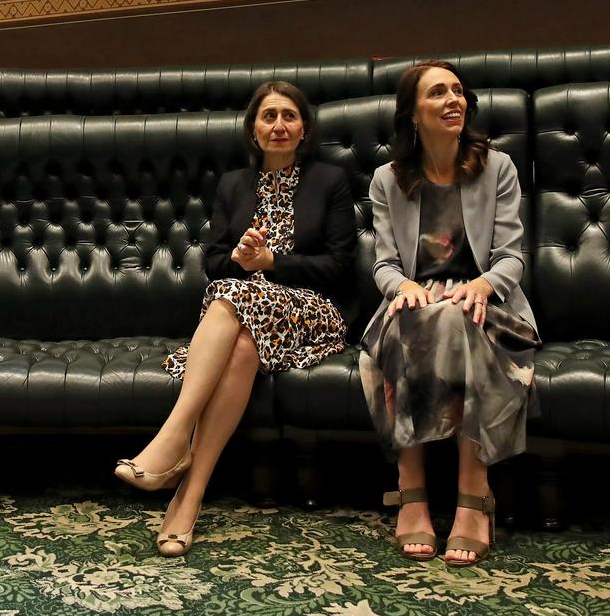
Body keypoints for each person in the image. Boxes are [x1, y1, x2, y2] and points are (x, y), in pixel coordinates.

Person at [114, 80, 356, 557]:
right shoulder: (233, 185)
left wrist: (271, 264)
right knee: (241, 339)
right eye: (268, 116)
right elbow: (214, 260)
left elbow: (339, 265)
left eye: (289, 115)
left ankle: (173, 437)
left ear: (304, 128)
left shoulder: (330, 181)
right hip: (246, 313)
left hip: (312, 311)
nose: (279, 125)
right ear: (253, 129)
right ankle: (190, 497)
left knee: (228, 297)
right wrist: (244, 260)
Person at [359, 60, 539, 567]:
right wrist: (408, 288)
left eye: (458, 92)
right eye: (438, 93)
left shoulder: (496, 167)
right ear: (412, 113)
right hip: (415, 302)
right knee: (424, 318)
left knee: (458, 316)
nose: (453, 101)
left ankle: (472, 494)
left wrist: (481, 284)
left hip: (490, 305)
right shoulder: (387, 179)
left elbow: (511, 257)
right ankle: (411, 488)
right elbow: (385, 265)